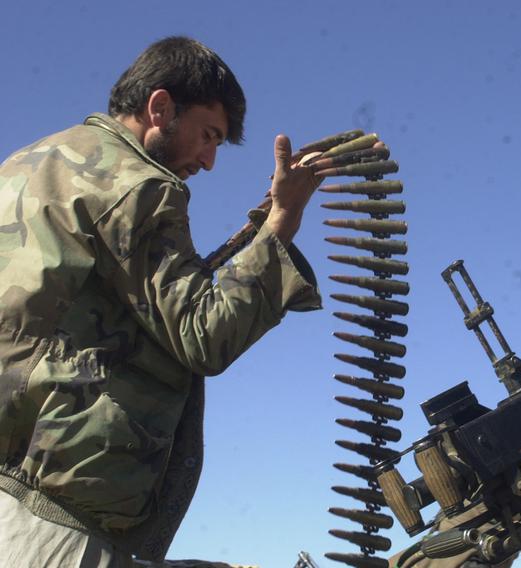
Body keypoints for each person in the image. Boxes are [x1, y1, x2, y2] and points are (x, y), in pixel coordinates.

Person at [0, 36, 329, 567]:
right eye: (208, 135)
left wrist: (253, 231)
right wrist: (282, 224)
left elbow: (125, 298)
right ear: (160, 107)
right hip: (57, 514)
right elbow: (204, 335)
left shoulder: (30, 162)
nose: (209, 160)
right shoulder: (142, 185)